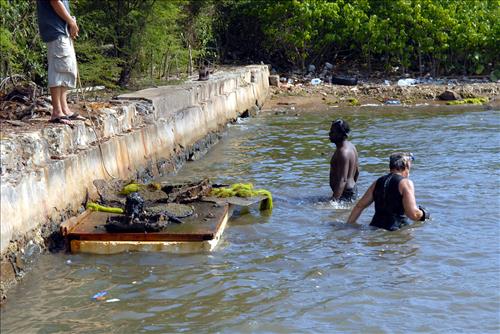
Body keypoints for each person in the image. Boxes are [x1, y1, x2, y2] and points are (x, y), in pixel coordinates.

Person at [346, 152, 430, 231]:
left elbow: (359, 206)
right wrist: (424, 214)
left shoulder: (378, 182)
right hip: (395, 231)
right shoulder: (405, 183)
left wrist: (348, 226)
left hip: (374, 228)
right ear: (406, 165)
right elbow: (413, 214)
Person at [36, 0, 85, 126]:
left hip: (61, 31)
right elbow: (55, 2)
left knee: (65, 69)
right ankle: (57, 111)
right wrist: (71, 22)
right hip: (56, 31)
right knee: (58, 69)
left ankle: (64, 109)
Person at [329, 119, 359, 201]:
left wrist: (334, 201)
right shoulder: (351, 146)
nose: (329, 134)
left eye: (332, 131)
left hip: (345, 193)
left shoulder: (343, 153)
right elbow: (357, 171)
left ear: (340, 134)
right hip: (350, 190)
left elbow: (343, 180)